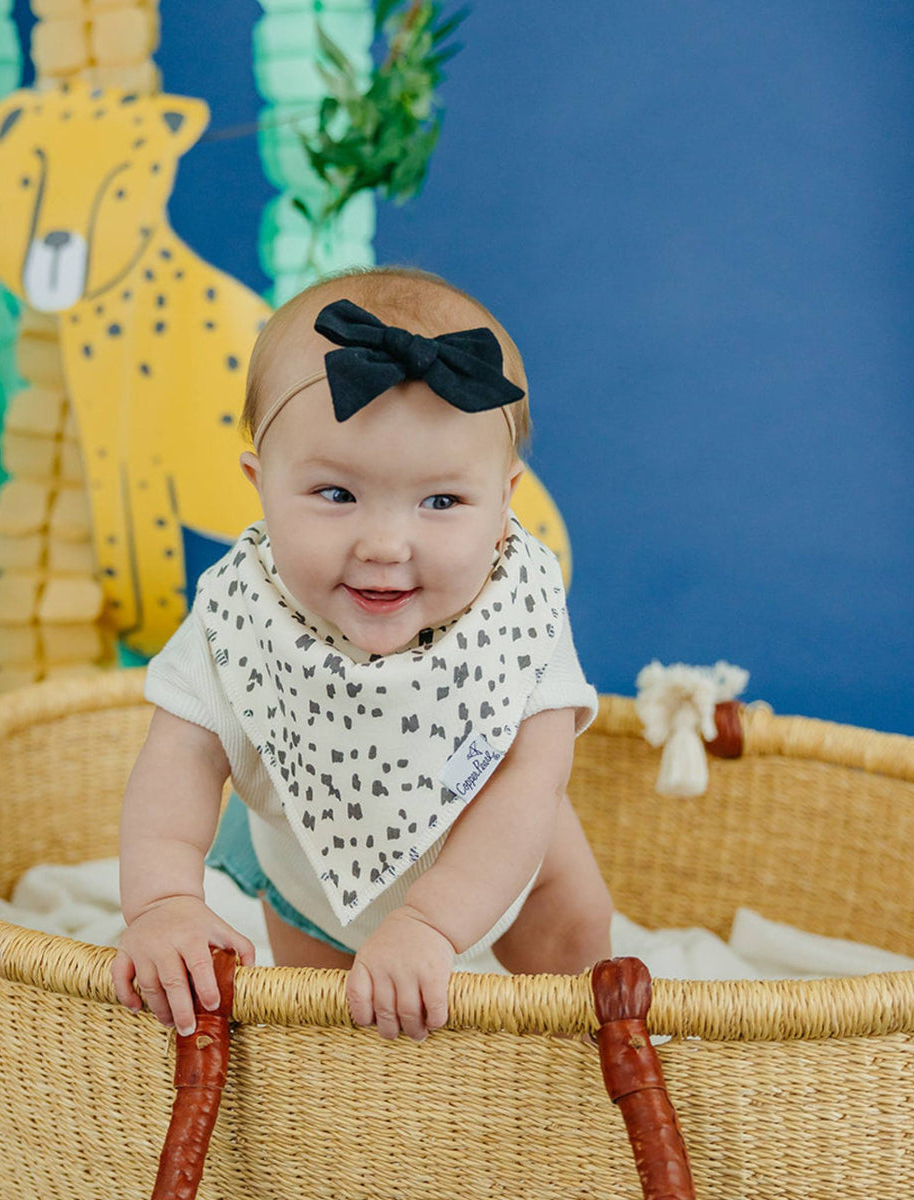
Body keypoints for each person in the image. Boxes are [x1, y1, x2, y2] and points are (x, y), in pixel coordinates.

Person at [112, 264, 613, 1042]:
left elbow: (529, 778)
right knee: (324, 1035)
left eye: (441, 502)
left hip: (509, 860)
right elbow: (176, 764)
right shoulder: (244, 615)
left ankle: (578, 1070)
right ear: (261, 484)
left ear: (505, 501)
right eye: (336, 495)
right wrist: (163, 903)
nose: (384, 545)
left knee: (576, 952)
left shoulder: (516, 608)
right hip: (311, 875)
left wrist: (433, 924)